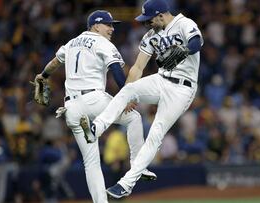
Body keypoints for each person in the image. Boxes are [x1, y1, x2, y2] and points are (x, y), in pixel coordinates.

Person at [80, 0, 203, 198]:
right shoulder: (151, 35)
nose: (147, 24)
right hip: (161, 79)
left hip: (182, 88)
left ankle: (126, 184)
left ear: (161, 15)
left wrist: (185, 50)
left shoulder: (184, 24)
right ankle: (96, 128)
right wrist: (127, 95)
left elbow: (196, 42)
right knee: (128, 91)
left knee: (156, 131)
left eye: (149, 19)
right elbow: (138, 68)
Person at [33, 10, 156, 203]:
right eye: (108, 24)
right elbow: (116, 70)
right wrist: (126, 96)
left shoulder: (72, 43)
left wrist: (43, 76)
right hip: (94, 99)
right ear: (96, 26)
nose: (111, 28)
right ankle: (137, 165)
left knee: (91, 162)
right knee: (134, 118)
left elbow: (55, 62)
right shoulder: (103, 43)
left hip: (71, 108)